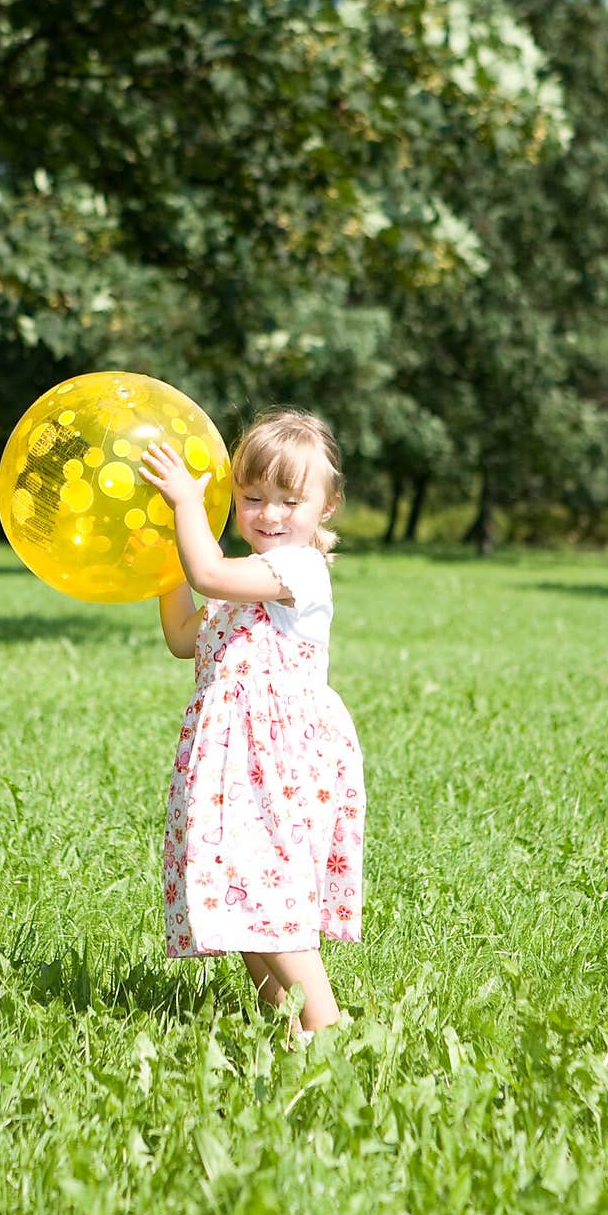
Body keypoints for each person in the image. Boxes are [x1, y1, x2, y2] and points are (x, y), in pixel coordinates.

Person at [139, 408, 365, 1043]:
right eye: (252, 497)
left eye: (289, 500)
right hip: (229, 759)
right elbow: (185, 638)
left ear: (327, 505)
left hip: (278, 760)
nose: (269, 514)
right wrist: (163, 567)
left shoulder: (298, 570)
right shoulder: (243, 576)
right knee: (237, 893)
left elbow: (207, 572)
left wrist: (185, 503)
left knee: (271, 895)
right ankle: (289, 1028)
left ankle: (328, 1030)